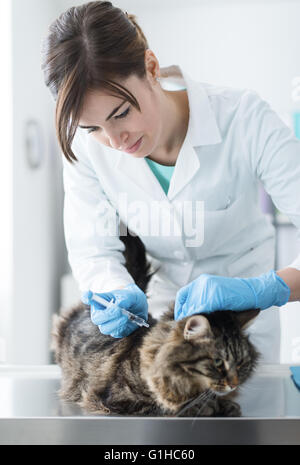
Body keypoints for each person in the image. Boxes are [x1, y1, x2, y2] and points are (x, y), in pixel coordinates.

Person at [42, 1, 300, 363]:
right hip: (159, 325)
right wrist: (112, 288)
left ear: (150, 67)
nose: (116, 141)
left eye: (122, 113)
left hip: (244, 330)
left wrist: (265, 289)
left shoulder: (243, 119)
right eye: (93, 127)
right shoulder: (86, 150)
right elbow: (92, 250)